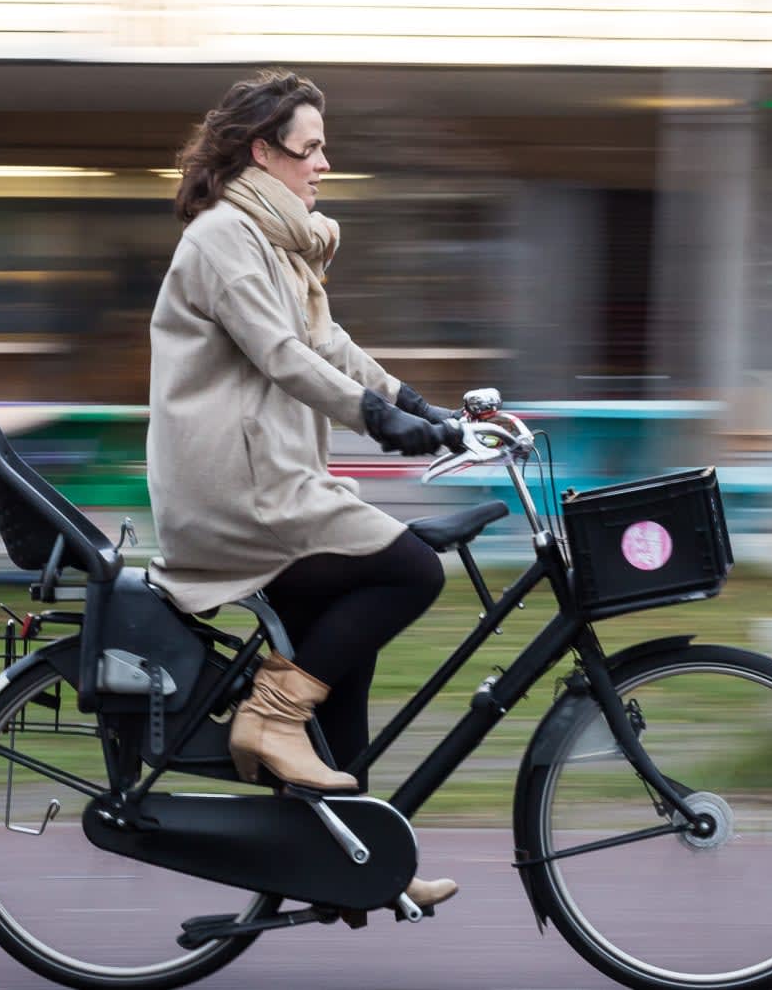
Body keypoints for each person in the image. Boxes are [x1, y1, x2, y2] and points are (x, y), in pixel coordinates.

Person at [145, 69, 462, 915]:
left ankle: (356, 860)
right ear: (263, 151)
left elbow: (331, 344)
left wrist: (418, 406)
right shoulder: (223, 238)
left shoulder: (278, 241)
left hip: (270, 480)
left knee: (342, 651)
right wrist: (375, 419)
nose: (324, 163)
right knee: (411, 570)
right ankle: (270, 719)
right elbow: (281, 353)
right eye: (310, 147)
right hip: (236, 492)